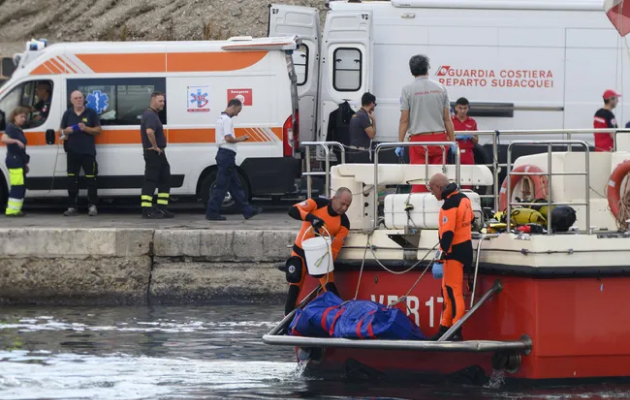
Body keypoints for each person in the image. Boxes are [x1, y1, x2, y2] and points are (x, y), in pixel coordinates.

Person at [283, 188, 352, 316]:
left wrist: (325, 264)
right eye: (342, 203)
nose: (344, 208)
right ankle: (287, 318)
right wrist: (311, 218)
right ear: (334, 198)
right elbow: (293, 210)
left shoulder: (344, 223)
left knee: (329, 286)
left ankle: (339, 316)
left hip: (319, 256)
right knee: (294, 284)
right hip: (300, 252)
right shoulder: (318, 203)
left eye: (347, 205)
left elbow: (335, 249)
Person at [397, 55, 455, 193]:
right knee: (440, 180)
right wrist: (452, 142)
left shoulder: (407, 90)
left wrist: (400, 143)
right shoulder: (441, 88)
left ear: (412, 71)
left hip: (418, 142)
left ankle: (418, 209)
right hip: (439, 140)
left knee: (419, 179)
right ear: (428, 69)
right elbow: (447, 119)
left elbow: (404, 119)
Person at [428, 173, 473, 341]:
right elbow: (471, 220)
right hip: (465, 251)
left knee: (453, 292)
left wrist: (439, 259)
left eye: (432, 190)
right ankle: (444, 329)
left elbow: (447, 234)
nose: (432, 194)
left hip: (453, 254)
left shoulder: (449, 205)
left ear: (439, 187)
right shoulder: (464, 199)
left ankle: (455, 330)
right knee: (447, 292)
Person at [206, 99, 262, 221]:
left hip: (225, 155)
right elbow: (228, 138)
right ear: (234, 107)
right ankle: (212, 212)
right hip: (227, 155)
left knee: (235, 185)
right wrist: (241, 138)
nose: (238, 113)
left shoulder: (220, 118)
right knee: (222, 185)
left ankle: (247, 210)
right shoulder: (227, 120)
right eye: (238, 110)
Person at [60, 90, 101, 217]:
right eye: (76, 98)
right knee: (72, 180)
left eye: (80, 97)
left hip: (88, 152)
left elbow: (98, 130)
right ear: (71, 100)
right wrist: (65, 131)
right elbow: (60, 131)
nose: (79, 100)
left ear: (84, 99)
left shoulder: (91, 112)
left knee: (91, 180)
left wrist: (86, 128)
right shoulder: (68, 113)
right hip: (72, 152)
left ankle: (92, 206)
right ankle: (72, 207)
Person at [140, 91, 174, 219]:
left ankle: (162, 208)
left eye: (163, 101)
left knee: (165, 178)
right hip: (153, 152)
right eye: (160, 101)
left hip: (158, 153)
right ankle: (147, 210)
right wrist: (155, 147)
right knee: (150, 180)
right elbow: (149, 132)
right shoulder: (150, 115)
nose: (163, 104)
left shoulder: (153, 114)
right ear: (153, 100)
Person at [2, 106, 31, 217]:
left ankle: (17, 209)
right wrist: (16, 141)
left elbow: (22, 150)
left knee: (21, 186)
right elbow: (4, 139)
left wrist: (25, 163)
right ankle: (12, 211)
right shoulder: (11, 127)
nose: (23, 119)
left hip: (19, 161)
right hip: (14, 160)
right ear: (14, 116)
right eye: (21, 116)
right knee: (17, 185)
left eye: (25, 117)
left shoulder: (18, 129)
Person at [452, 97, 479, 189]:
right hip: (454, 152)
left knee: (468, 179)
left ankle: (467, 199)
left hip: (468, 153)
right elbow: (446, 138)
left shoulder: (472, 122)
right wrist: (456, 137)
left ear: (468, 108)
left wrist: (471, 136)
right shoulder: (451, 121)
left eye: (465, 108)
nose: (462, 111)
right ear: (456, 108)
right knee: (454, 177)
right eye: (460, 108)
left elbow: (476, 140)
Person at [348, 92, 376, 163]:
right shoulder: (363, 116)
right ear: (371, 103)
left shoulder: (355, 115)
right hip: (360, 153)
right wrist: (373, 120)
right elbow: (372, 135)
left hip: (352, 150)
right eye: (374, 104)